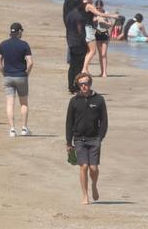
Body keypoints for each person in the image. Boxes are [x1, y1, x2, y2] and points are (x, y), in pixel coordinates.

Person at [64, 73, 108, 205]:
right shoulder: (74, 101)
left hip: (94, 139)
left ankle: (94, 184)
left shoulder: (99, 100)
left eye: (87, 83)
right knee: (83, 166)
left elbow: (104, 121)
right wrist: (68, 142)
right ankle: (85, 195)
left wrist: (100, 137)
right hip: (79, 139)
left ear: (90, 84)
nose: (84, 86)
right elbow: (69, 122)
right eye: (81, 84)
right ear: (78, 85)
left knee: (93, 168)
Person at [0, 22, 33, 137]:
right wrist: (26, 73)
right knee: (24, 103)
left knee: (10, 104)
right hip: (21, 76)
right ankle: (24, 128)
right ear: (19, 32)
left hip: (8, 76)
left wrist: (4, 73)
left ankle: (12, 129)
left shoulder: (3, 44)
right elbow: (30, 62)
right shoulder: (24, 45)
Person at [64, 0, 89, 93]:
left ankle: (71, 86)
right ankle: (77, 87)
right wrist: (85, 43)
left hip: (71, 42)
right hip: (78, 43)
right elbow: (80, 31)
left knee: (72, 66)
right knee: (78, 67)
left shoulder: (69, 15)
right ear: (79, 5)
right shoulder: (79, 16)